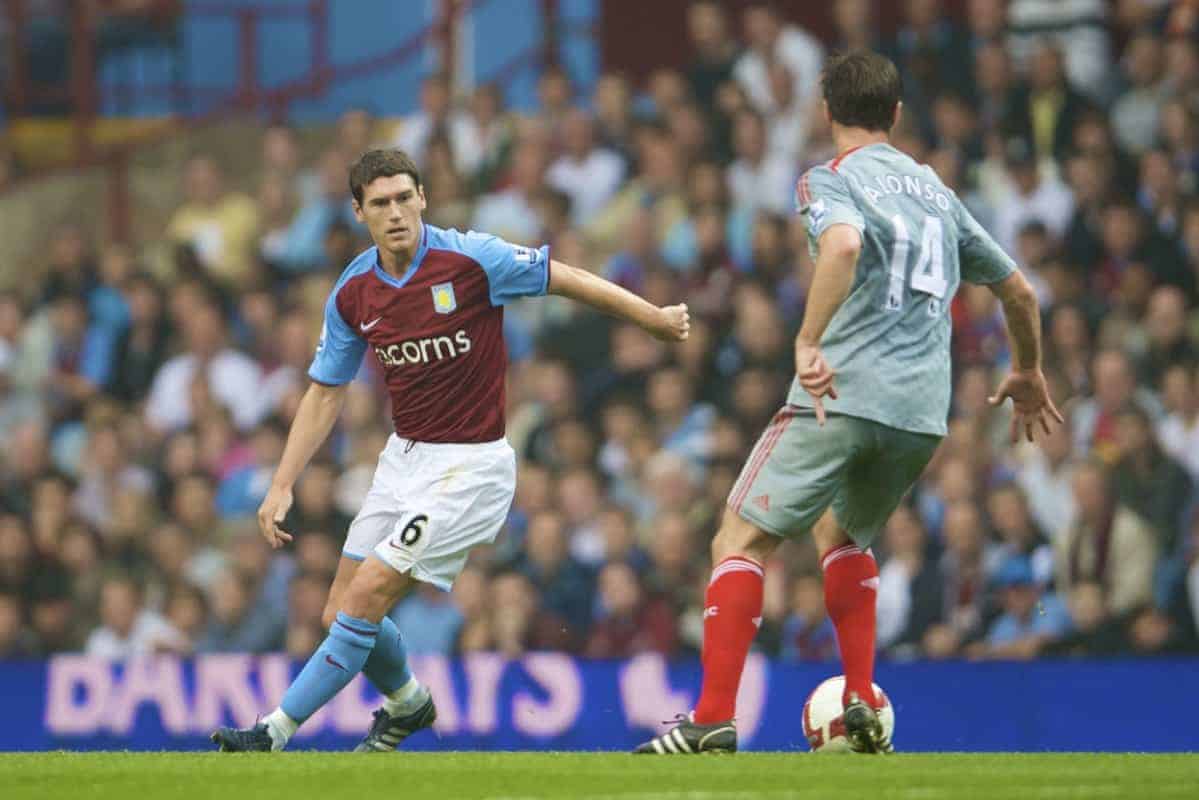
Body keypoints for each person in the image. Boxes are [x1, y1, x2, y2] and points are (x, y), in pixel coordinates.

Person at [637, 51, 1061, 756]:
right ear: (895, 115)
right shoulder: (936, 192)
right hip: (921, 413)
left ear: (824, 111)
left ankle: (712, 717)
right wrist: (1027, 370)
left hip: (842, 393)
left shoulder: (827, 179)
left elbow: (839, 247)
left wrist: (806, 339)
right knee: (842, 537)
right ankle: (862, 702)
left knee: (738, 540)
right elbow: (1017, 290)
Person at [211, 149, 689, 753]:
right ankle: (409, 704)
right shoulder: (354, 292)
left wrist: (651, 318)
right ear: (359, 213)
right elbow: (326, 392)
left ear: (423, 198)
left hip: (471, 466)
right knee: (340, 615)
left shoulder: (471, 259)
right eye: (380, 203)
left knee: (365, 597)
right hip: (402, 460)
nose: (396, 212)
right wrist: (282, 482)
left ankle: (271, 732)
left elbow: (564, 278)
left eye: (404, 197)